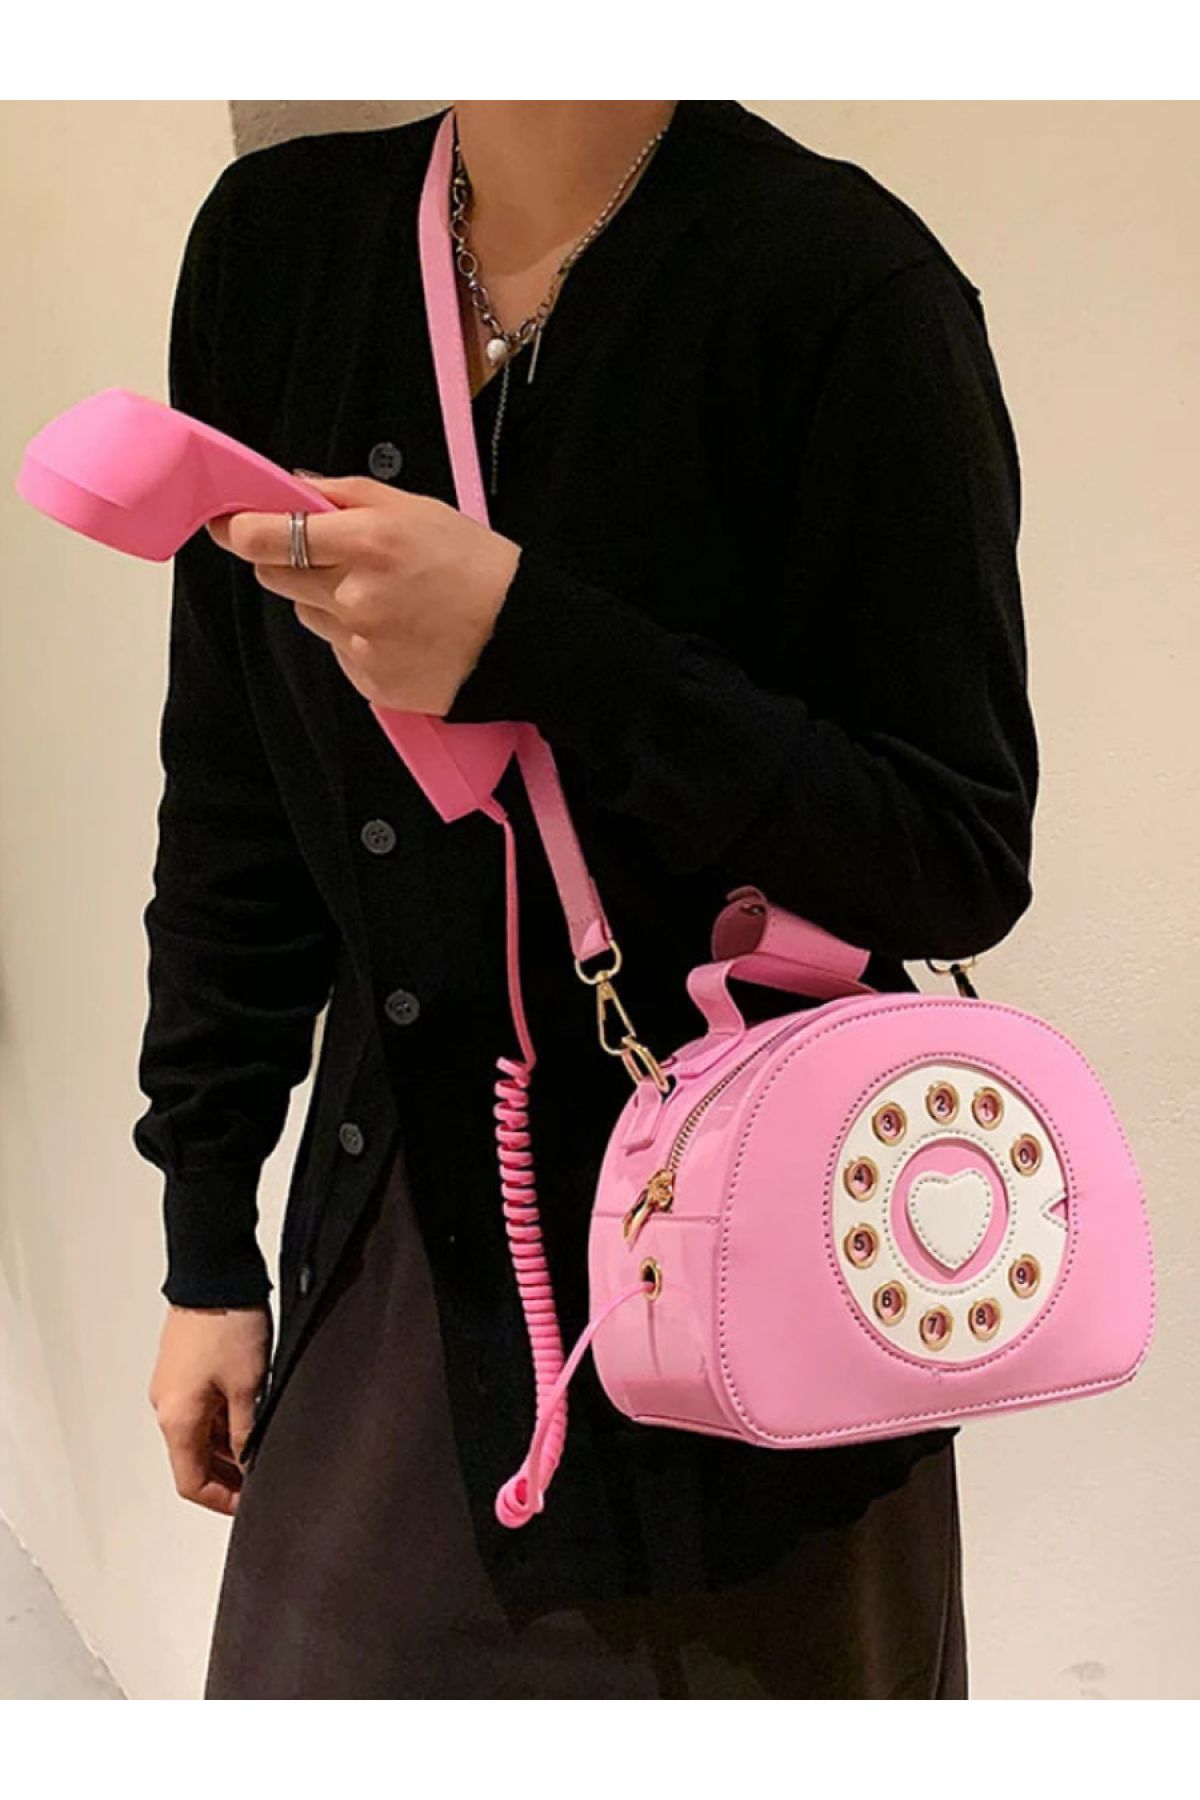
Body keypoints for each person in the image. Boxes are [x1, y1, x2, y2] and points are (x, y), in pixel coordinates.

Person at [135, 100, 1038, 1699]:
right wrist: (206, 1238)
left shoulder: (844, 286)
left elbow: (953, 851)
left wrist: (539, 641)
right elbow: (236, 797)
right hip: (401, 1246)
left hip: (762, 1299)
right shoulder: (278, 250)